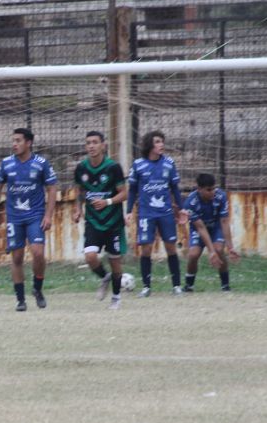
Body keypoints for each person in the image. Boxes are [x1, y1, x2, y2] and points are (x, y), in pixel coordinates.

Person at [0, 128, 57, 312]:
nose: (14, 144)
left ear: (28, 143)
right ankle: (20, 300)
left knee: (38, 253)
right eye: (13, 141)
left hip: (35, 216)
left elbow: (52, 188)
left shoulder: (41, 163)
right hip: (14, 217)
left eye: (18, 140)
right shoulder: (6, 164)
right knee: (17, 257)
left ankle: (38, 289)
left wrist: (48, 215)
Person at [72, 131, 128, 309]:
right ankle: (105, 277)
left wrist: (107, 201)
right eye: (88, 142)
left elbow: (124, 193)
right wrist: (77, 209)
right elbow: (79, 191)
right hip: (93, 222)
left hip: (113, 223)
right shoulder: (81, 168)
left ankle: (116, 298)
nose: (91, 146)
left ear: (103, 145)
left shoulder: (113, 167)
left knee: (115, 262)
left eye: (95, 142)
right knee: (90, 256)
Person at [125, 130, 185, 297]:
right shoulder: (138, 165)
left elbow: (175, 188)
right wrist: (129, 211)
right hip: (146, 214)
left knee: (171, 247)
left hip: (165, 213)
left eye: (162, 141)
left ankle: (176, 286)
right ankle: (146, 287)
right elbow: (132, 191)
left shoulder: (169, 163)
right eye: (158, 141)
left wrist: (181, 208)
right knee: (146, 249)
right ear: (150, 144)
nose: (162, 145)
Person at [182, 173, 238, 292]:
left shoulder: (221, 196)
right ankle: (189, 286)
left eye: (213, 188)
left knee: (219, 250)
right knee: (193, 254)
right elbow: (201, 228)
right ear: (199, 189)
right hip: (199, 229)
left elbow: (224, 222)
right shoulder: (190, 203)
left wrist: (230, 247)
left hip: (215, 227)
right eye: (208, 190)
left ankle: (225, 286)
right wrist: (210, 251)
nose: (212, 192)